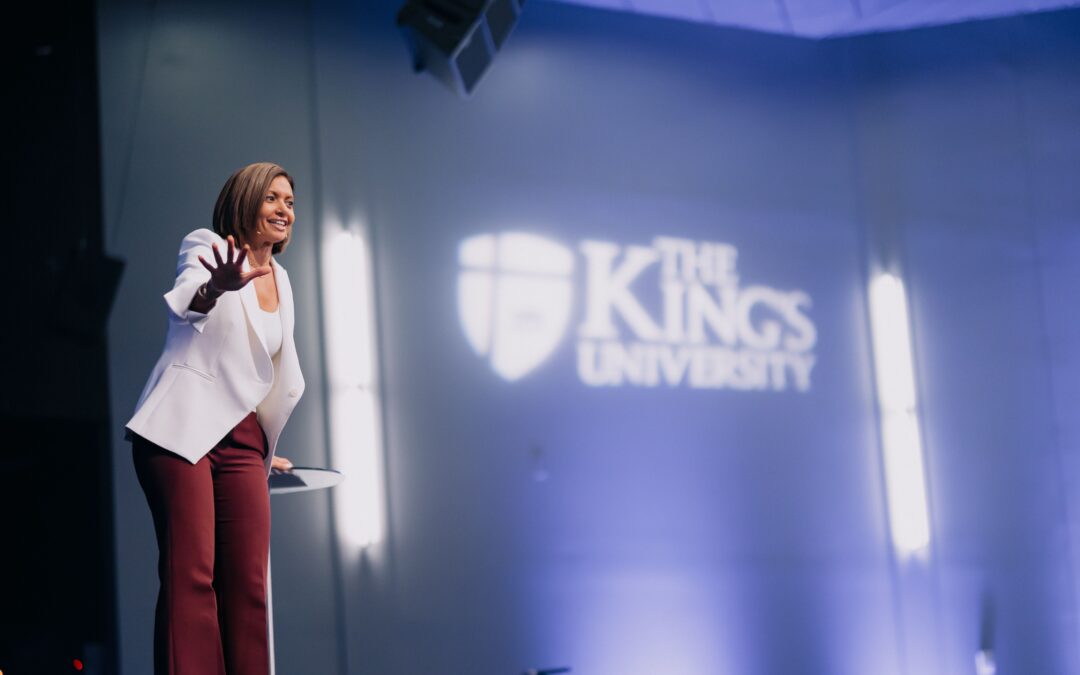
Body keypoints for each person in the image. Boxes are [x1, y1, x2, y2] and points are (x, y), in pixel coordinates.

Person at [125, 162, 306, 675]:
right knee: (192, 574)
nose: (284, 210)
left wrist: (265, 448)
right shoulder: (206, 245)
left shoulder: (284, 281)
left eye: (290, 203)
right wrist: (217, 287)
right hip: (182, 432)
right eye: (273, 198)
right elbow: (187, 303)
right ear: (247, 201)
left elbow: (263, 373)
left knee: (249, 584)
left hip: (245, 443)